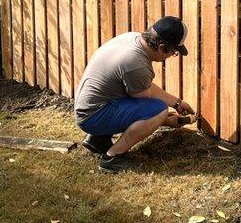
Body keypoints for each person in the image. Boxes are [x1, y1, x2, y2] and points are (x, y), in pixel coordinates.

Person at [74, 16, 195, 173]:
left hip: (91, 106)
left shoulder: (132, 38)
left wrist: (177, 103)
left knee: (154, 107)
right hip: (92, 116)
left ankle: (99, 139)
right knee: (158, 109)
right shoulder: (136, 64)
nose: (171, 56)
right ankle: (111, 158)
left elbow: (144, 87)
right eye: (173, 52)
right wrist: (165, 120)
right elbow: (144, 99)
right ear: (161, 47)